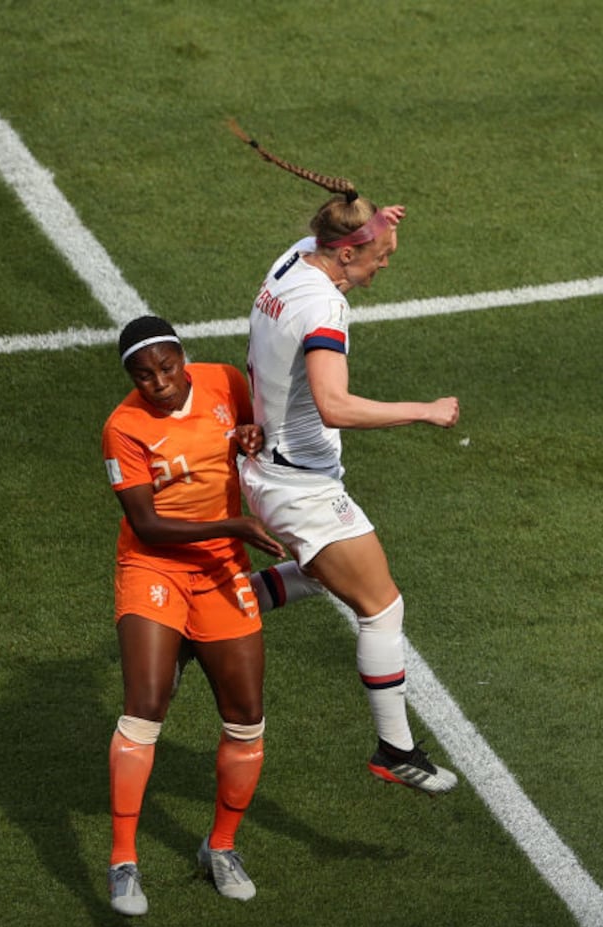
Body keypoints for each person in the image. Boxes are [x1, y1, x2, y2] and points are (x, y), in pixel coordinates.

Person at [231, 122, 461, 796]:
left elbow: (350, 234)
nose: (381, 265)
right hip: (296, 483)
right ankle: (395, 749)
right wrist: (422, 410)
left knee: (322, 574)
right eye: (377, 257)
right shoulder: (322, 309)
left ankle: (218, 609)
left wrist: (378, 224)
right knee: (381, 606)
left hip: (274, 468)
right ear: (344, 254)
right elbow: (333, 405)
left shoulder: (295, 256)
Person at [100, 315, 287, 917]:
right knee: (146, 705)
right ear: (130, 377)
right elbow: (147, 525)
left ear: (184, 358)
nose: (158, 382)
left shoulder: (225, 382)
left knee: (245, 716)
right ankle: (123, 861)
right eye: (143, 374)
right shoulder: (122, 428)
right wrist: (235, 525)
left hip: (219, 572)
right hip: (154, 567)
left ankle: (221, 847)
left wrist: (250, 437)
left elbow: (253, 427)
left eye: (166, 366)